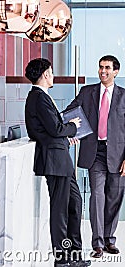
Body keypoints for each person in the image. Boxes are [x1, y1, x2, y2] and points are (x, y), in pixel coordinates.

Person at [24, 58, 90, 267]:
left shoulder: (41, 97)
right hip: (54, 160)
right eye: (51, 72)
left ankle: (74, 253)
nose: (52, 76)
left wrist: (64, 135)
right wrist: (72, 126)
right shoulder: (38, 98)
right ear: (45, 74)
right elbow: (55, 129)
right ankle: (62, 258)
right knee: (60, 210)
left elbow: (53, 130)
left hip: (61, 158)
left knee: (74, 204)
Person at [64, 55, 125, 258]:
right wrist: (69, 131)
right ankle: (97, 243)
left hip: (118, 153)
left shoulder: (124, 96)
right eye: (100, 67)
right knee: (97, 196)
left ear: (116, 71)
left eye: (107, 68)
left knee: (114, 198)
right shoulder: (87, 92)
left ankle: (110, 240)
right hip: (95, 151)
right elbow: (70, 113)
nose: (103, 71)